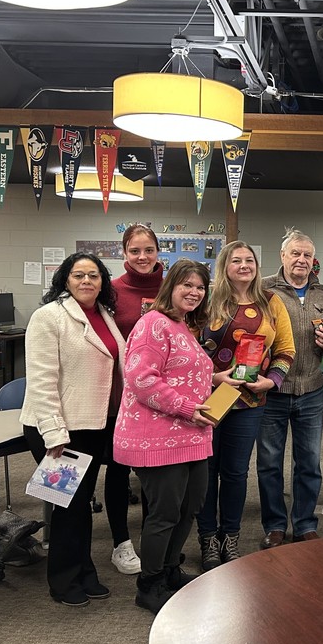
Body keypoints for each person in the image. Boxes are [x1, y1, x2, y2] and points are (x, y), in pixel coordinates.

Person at [20, 252, 126, 607]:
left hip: (93, 424)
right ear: (65, 280)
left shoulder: (104, 315)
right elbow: (41, 381)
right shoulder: (48, 317)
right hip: (58, 428)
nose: (86, 281)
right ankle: (63, 581)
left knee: (81, 505)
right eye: (78, 275)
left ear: (102, 281)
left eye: (93, 276)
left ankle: (84, 571)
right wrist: (54, 434)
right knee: (68, 505)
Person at [114, 259, 214, 614]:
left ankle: (170, 570)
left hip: (191, 436)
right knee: (164, 514)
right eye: (187, 285)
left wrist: (220, 380)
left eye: (200, 287)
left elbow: (181, 373)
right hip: (156, 437)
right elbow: (141, 380)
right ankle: (149, 583)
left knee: (190, 507)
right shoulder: (152, 324)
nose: (194, 292)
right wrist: (187, 408)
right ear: (170, 285)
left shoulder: (181, 326)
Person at [195, 241, 295, 569]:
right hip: (210, 396)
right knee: (206, 472)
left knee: (236, 473)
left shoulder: (271, 301)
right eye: (236, 260)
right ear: (225, 266)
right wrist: (213, 377)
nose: (243, 265)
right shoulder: (207, 301)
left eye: (249, 260)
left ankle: (230, 536)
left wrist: (272, 381)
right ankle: (208, 538)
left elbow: (285, 349)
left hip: (250, 399)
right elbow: (187, 349)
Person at [257, 229, 323, 549]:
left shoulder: (322, 293)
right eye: (295, 253)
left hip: (312, 389)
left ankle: (304, 523)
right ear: (283, 256)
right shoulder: (264, 289)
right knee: (268, 463)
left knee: (309, 462)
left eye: (307, 255)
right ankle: (275, 525)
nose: (301, 260)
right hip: (272, 391)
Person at [104, 222, 165, 576]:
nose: (142, 257)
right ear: (124, 253)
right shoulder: (110, 291)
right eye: (135, 251)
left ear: (158, 252)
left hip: (160, 397)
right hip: (121, 394)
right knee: (118, 469)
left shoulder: (171, 287)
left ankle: (150, 539)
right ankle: (120, 542)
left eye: (149, 250)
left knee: (155, 474)